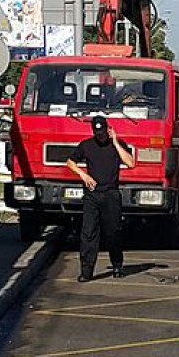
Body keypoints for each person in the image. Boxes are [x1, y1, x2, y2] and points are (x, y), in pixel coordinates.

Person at [67, 116, 134, 282]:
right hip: (92, 195)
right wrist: (83, 175)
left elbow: (131, 163)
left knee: (113, 232)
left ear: (108, 130)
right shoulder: (87, 145)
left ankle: (117, 265)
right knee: (88, 233)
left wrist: (116, 142)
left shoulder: (117, 145)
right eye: (97, 133)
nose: (100, 136)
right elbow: (70, 162)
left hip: (111, 194)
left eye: (103, 132)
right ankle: (86, 271)